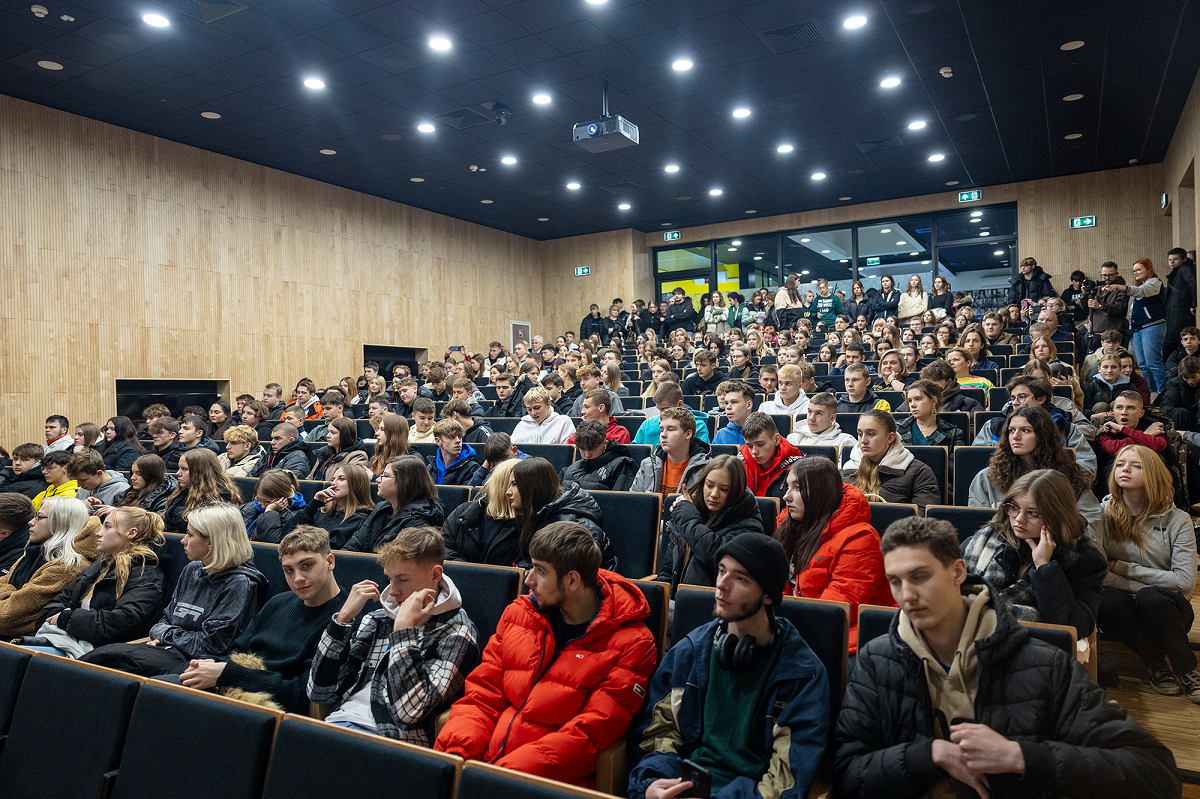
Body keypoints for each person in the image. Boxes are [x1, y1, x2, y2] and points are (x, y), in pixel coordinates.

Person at [834, 515, 1182, 799]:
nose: (906, 595)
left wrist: (1021, 757)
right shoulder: (876, 660)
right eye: (895, 581)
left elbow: (1155, 774)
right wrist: (927, 755)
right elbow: (847, 774)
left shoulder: (1042, 664)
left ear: (957, 572)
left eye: (920, 577)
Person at [436, 521, 655, 786]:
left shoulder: (632, 644)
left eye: (540, 571)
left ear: (572, 580)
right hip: (487, 770)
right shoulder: (519, 615)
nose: (528, 580)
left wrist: (498, 778)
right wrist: (455, 757)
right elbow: (482, 696)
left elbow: (587, 736)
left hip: (547, 783)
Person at [630, 533, 829, 799]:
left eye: (740, 578)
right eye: (721, 571)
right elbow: (659, 733)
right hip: (682, 787)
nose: (721, 585)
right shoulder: (690, 651)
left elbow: (786, 779)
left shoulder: (802, 674)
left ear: (768, 595)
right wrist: (653, 784)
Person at [309, 524, 478, 738]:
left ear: (435, 575)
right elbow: (319, 692)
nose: (393, 590)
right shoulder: (379, 618)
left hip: (390, 741)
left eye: (403, 579)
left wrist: (403, 634)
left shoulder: (457, 633)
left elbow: (409, 712)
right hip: (339, 722)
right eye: (389, 578)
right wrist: (341, 622)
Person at [168, 526, 346, 712]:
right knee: (159, 689)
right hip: (232, 689)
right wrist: (208, 663)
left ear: (330, 562)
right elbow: (238, 650)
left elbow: (302, 694)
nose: (298, 578)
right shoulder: (279, 602)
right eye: (288, 570)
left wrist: (227, 674)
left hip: (267, 709)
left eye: (307, 566)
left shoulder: (342, 622)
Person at [1097, 445, 1199, 701]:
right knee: (1107, 601)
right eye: (1120, 464)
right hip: (1124, 611)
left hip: (1167, 611)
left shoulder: (1178, 520)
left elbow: (1185, 580)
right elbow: (1099, 574)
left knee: (1152, 599)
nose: (1125, 470)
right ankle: (1158, 666)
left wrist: (1121, 567)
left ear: (1152, 473)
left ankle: (1185, 668)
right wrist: (1161, 585)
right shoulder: (1101, 515)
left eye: (1136, 465)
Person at [961, 469, 1106, 638]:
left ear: (1058, 516)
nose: (1019, 519)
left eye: (1033, 513)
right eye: (1014, 507)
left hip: (1035, 648)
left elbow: (1074, 627)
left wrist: (1045, 567)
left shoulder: (1083, 559)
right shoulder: (986, 538)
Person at [777, 457, 893, 652]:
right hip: (801, 629)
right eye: (787, 487)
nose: (787, 496)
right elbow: (777, 588)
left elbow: (835, 609)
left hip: (848, 636)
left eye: (797, 488)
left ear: (821, 492)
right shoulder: (789, 527)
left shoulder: (860, 538)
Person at [30, 507, 166, 657]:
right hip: (69, 640)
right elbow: (57, 602)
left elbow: (122, 622)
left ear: (131, 533)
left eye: (107, 527)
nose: (98, 533)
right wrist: (60, 617)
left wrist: (67, 619)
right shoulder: (100, 565)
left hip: (102, 652)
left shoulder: (146, 575)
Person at [969, 406, 1103, 537]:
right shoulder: (987, 477)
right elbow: (978, 529)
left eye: (1025, 430)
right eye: (1011, 430)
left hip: (1056, 550)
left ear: (1043, 436)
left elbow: (1091, 530)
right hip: (1003, 550)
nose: (1015, 437)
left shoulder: (1072, 476)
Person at [657, 455, 763, 589]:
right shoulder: (692, 511)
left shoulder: (749, 525)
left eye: (724, 489)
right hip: (679, 602)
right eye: (709, 485)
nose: (714, 494)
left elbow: (713, 555)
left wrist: (687, 516)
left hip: (714, 604)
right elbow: (668, 571)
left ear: (737, 491)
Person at [0, 497, 97, 638]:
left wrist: (10, 590)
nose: (31, 522)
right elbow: (6, 581)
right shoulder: (36, 550)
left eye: (39, 517)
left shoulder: (67, 566)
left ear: (61, 522)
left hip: (22, 642)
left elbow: (6, 618)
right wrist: (12, 593)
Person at [344, 456, 445, 553]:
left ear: (405, 482)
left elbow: (395, 562)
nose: (378, 479)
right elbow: (354, 544)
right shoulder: (381, 508)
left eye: (386, 476)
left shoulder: (420, 521)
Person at [842, 410, 940, 510]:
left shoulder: (919, 473)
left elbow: (922, 518)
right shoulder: (845, 471)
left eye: (871, 434)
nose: (863, 440)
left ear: (890, 437)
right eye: (860, 434)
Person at [1103, 258, 1166, 391]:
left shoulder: (1154, 282)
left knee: (1153, 362)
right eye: (1134, 271)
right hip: (1138, 329)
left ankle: (1162, 392)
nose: (1135, 273)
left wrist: (1120, 287)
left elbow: (1141, 291)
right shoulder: (1140, 286)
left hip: (1152, 326)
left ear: (1148, 270)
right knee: (1142, 364)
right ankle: (1150, 392)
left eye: (1138, 270)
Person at [283, 464, 374, 549]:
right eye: (333, 479)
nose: (333, 483)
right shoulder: (321, 510)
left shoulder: (359, 518)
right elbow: (287, 534)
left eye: (341, 479)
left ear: (356, 485)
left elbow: (329, 547)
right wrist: (313, 504)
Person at [632, 407, 713, 498]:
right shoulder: (647, 465)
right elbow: (634, 505)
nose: (663, 434)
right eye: (662, 430)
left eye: (670, 430)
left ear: (688, 434)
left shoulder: (707, 468)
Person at [161, 449, 241, 534]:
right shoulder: (184, 491)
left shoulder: (218, 500)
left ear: (200, 472)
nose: (178, 473)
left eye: (184, 469)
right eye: (179, 468)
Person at [739, 412, 804, 502]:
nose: (754, 452)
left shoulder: (796, 466)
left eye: (760, 444)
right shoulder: (740, 464)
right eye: (749, 446)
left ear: (776, 440)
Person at [561, 420, 638, 492]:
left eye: (592, 449)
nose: (587, 455)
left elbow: (619, 502)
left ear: (605, 444)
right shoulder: (569, 470)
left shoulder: (621, 466)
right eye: (582, 449)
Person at [634, 383, 713, 445]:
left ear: (680, 404)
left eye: (665, 409)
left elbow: (702, 454)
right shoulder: (647, 424)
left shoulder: (698, 425)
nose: (661, 414)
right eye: (659, 409)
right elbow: (636, 452)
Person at [898, 380, 965, 452]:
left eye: (918, 399)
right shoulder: (897, 428)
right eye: (910, 401)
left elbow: (955, 462)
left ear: (933, 401)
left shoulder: (954, 433)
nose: (912, 405)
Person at [787, 392, 857, 450]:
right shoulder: (793, 439)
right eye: (810, 411)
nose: (811, 418)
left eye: (818, 413)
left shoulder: (845, 442)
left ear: (832, 418)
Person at [307, 417, 370, 481]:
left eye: (333, 433)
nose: (327, 436)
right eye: (328, 432)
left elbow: (349, 482)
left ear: (345, 435)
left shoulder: (358, 456)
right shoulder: (324, 453)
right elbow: (310, 478)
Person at [511, 386, 576, 445]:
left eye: (537, 408)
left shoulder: (563, 422)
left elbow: (567, 451)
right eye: (529, 409)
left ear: (548, 405)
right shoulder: (522, 425)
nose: (533, 413)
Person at [1163, 247, 1197, 359]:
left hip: (1181, 315)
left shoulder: (1184, 270)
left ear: (1183, 259)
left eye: (1175, 259)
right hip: (1175, 315)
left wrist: (1194, 304)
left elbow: (1194, 286)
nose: (1172, 262)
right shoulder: (1176, 273)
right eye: (1170, 260)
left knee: (1173, 346)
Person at [1159, 355, 1200, 431]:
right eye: (1186, 378)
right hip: (1183, 420)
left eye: (1193, 377)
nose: (1190, 381)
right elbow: (1167, 405)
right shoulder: (1175, 383)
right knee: (1180, 414)